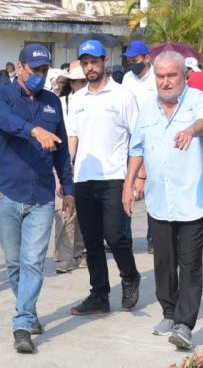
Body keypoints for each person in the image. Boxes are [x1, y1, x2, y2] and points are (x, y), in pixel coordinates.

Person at [0, 44, 76, 354]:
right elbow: (6, 123)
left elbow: (62, 149)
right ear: (20, 68)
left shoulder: (53, 102)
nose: (40, 75)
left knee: (33, 262)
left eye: (44, 70)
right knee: (14, 263)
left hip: (41, 196)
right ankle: (29, 307)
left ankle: (22, 322)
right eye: (35, 70)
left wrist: (68, 188)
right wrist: (34, 129)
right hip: (7, 193)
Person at [122, 51, 203, 350]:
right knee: (163, 260)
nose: (165, 81)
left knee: (189, 262)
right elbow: (137, 149)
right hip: (159, 199)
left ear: (184, 75)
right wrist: (129, 184)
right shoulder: (148, 108)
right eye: (160, 76)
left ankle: (185, 324)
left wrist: (189, 129)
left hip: (192, 198)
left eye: (171, 75)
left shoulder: (197, 99)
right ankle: (169, 313)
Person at [67, 40, 141, 315]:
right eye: (85, 62)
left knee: (115, 235)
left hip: (114, 177)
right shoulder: (77, 99)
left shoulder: (122, 96)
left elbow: (137, 140)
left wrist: (136, 179)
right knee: (92, 240)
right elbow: (72, 138)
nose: (90, 67)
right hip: (83, 178)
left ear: (104, 61)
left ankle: (130, 276)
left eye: (94, 61)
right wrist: (65, 176)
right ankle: (99, 294)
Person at [53, 61, 88, 274]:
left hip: (88, 164)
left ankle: (82, 252)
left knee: (84, 213)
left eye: (83, 80)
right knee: (64, 211)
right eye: (76, 81)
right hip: (64, 162)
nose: (80, 84)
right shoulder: (60, 102)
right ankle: (65, 257)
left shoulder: (96, 103)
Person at [121, 40, 156, 106]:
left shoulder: (157, 77)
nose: (132, 64)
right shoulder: (127, 77)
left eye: (134, 61)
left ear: (146, 58)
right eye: (129, 62)